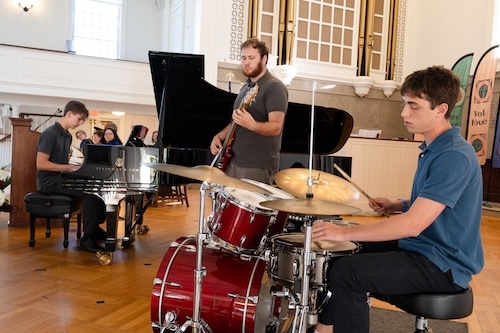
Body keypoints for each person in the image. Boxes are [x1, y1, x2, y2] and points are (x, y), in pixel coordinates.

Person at [309, 66, 484, 333]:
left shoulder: (453, 155)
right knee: (345, 248)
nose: (404, 113)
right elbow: (439, 203)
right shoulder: (434, 147)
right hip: (424, 247)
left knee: (348, 271)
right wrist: (400, 204)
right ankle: (326, 327)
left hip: (443, 264)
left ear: (440, 109)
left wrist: (342, 230)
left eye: (413, 106)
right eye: (404, 104)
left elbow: (412, 225)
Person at [209, 38, 288, 185]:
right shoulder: (247, 87)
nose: (246, 62)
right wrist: (220, 136)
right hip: (233, 161)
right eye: (243, 58)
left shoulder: (274, 87)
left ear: (264, 59)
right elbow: (237, 120)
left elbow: (276, 126)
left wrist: (252, 125)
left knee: (248, 209)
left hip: (256, 167)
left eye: (251, 58)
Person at [36, 100, 107, 253]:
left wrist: (77, 163)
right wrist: (69, 167)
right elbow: (41, 164)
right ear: (69, 114)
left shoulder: (67, 136)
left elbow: (62, 159)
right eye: (79, 119)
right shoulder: (50, 134)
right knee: (90, 193)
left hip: (61, 178)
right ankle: (87, 239)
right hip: (50, 182)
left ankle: (94, 229)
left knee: (96, 184)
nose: (80, 123)